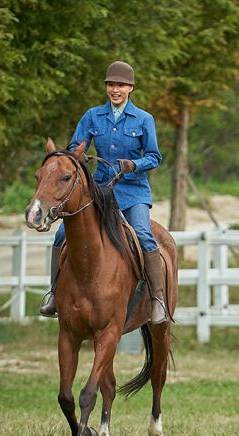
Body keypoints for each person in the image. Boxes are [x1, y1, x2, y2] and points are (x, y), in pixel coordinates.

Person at [40, 60, 167, 324]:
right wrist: (80, 155)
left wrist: (135, 165)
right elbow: (75, 146)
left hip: (133, 191)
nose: (115, 89)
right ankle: (53, 293)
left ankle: (157, 299)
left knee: (143, 234)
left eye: (120, 85)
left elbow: (155, 156)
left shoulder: (144, 119)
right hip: (100, 190)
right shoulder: (92, 116)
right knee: (61, 234)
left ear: (130, 87)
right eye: (111, 84)